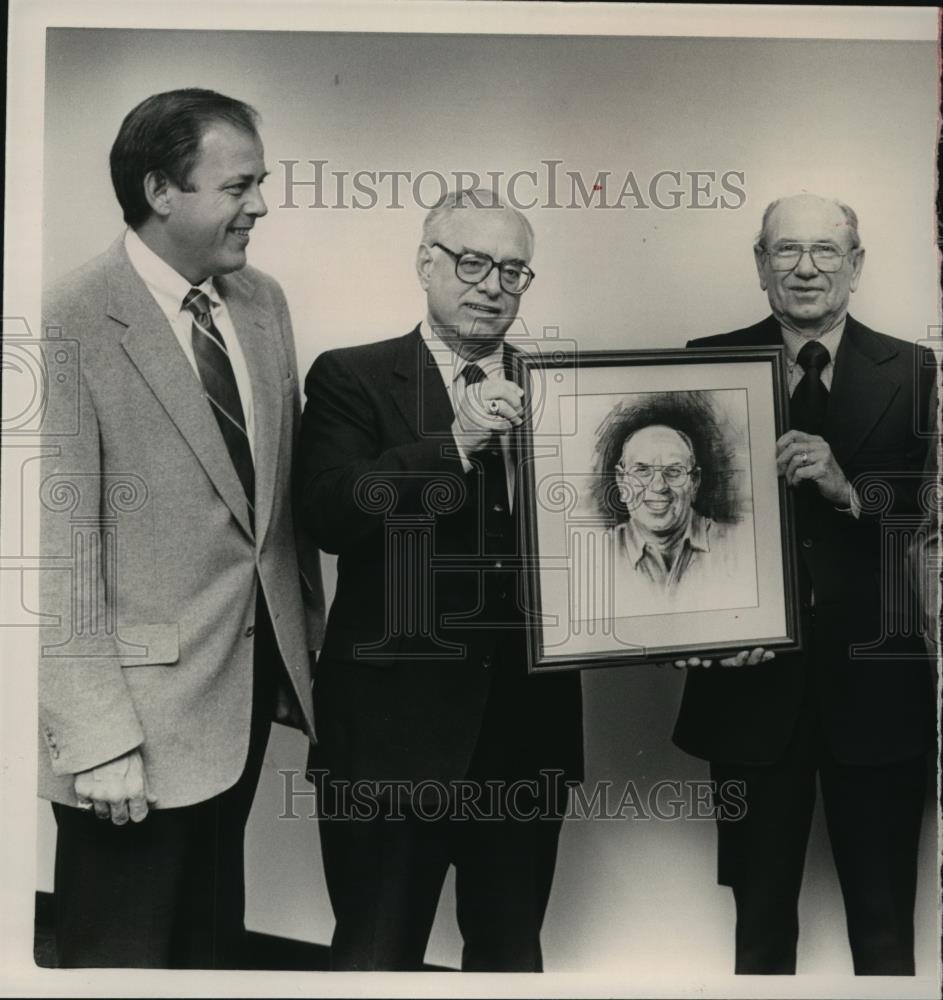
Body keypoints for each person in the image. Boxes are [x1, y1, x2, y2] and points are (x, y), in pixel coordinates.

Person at [38, 89, 323, 968]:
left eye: (261, 182)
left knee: (207, 957)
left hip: (239, 706)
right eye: (239, 186)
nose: (261, 206)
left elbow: (273, 514)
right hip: (131, 743)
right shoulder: (66, 322)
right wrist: (97, 742)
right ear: (161, 190)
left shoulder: (261, 302)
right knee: (120, 963)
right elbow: (54, 557)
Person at [298, 190, 583, 971]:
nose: (492, 285)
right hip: (392, 735)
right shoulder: (350, 377)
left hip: (525, 735)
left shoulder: (565, 391)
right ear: (426, 262)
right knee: (375, 954)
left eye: (514, 271)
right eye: (472, 262)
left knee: (510, 956)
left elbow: (603, 544)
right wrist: (455, 440)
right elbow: (328, 513)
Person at [672, 193, 936, 975]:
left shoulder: (919, 370)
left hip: (880, 686)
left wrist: (849, 489)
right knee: (756, 926)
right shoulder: (700, 362)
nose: (805, 267)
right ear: (760, 265)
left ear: (855, 265)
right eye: (785, 250)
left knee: (885, 927)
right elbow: (672, 508)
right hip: (748, 691)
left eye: (826, 250)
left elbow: (936, 508)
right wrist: (690, 624)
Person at [591, 393, 753, 615]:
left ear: (694, 482)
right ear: (621, 481)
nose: (658, 486)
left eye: (674, 471)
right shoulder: (595, 556)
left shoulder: (741, 547)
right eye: (642, 471)